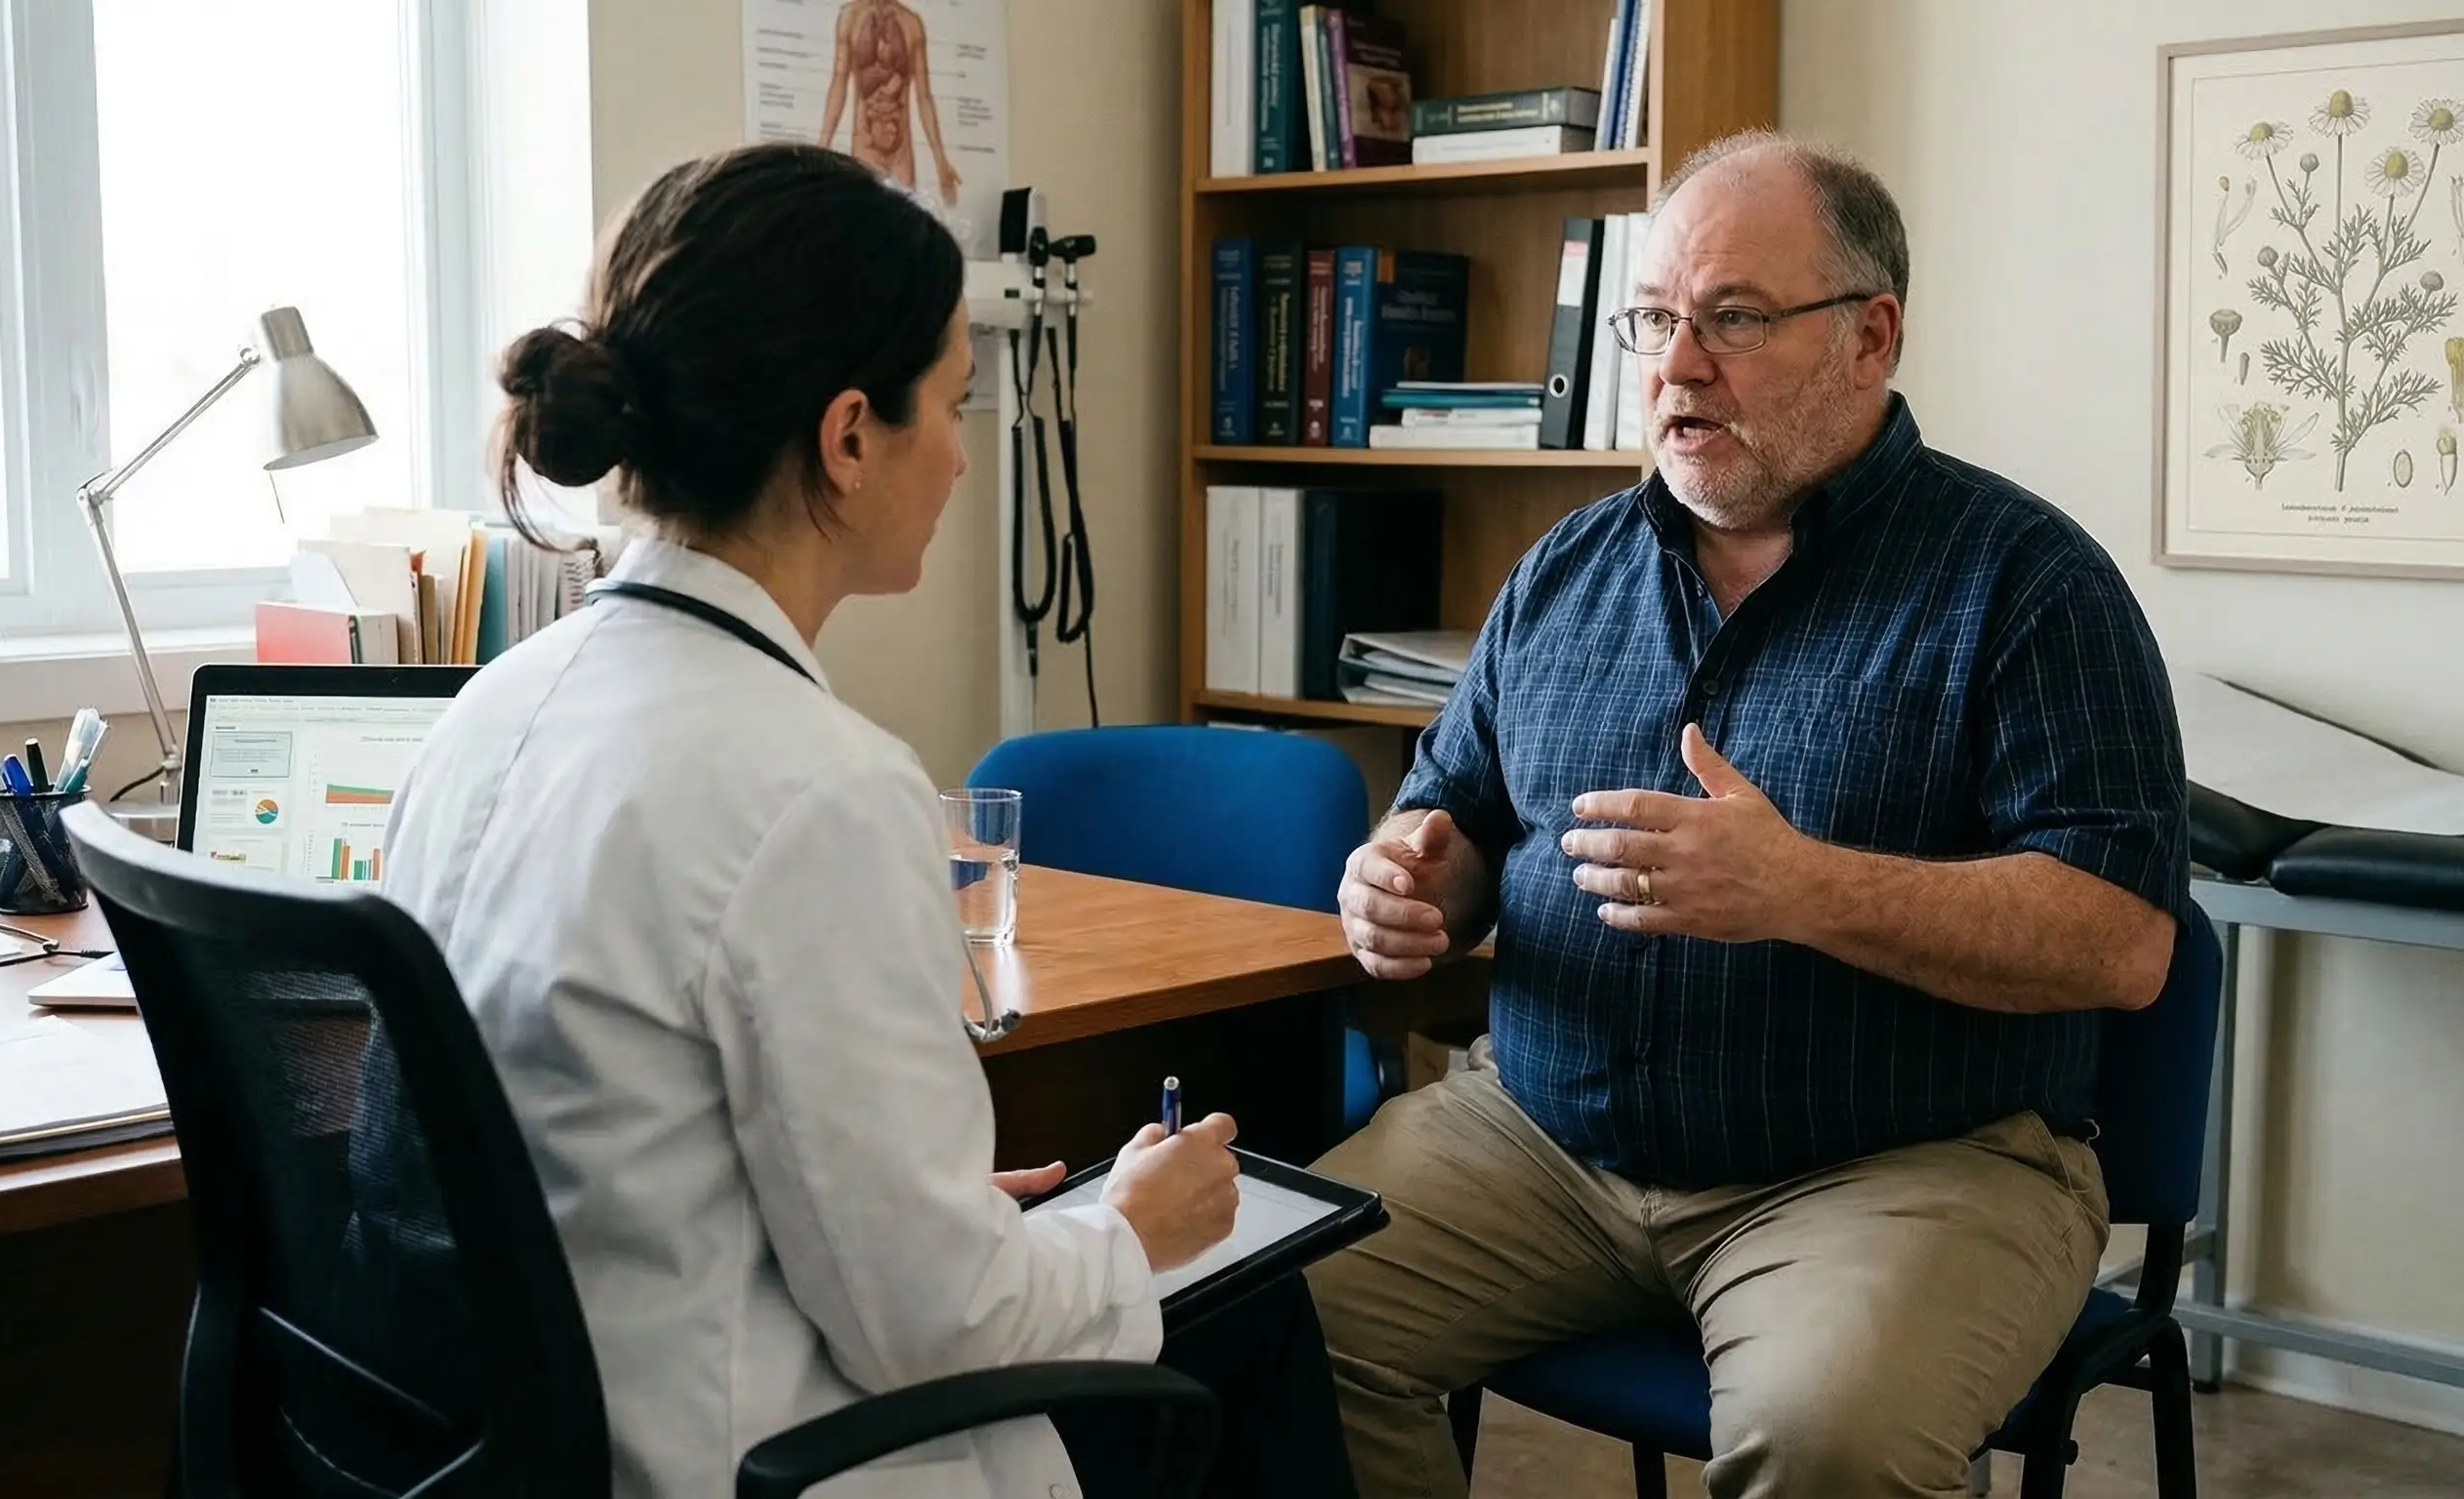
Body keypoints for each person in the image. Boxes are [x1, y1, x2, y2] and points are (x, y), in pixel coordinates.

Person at [380, 143, 1354, 1498]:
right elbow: (943, 1329)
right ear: (848, 439)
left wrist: (945, 1219)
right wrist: (1127, 1227)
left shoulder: (486, 712)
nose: (962, 458)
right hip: (759, 1455)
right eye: (953, 404)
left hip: (537, 1433)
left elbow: (630, 1138)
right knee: (1247, 1306)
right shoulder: (819, 789)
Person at [1306, 131, 2190, 1499]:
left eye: (1731, 319)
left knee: (1828, 1441)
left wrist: (1801, 891)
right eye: (1653, 320)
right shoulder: (1565, 570)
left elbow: (2120, 942)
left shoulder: (2027, 587)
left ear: (1868, 336)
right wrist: (1408, 875)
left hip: (1901, 1167)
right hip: (1539, 1139)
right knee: (1266, 1307)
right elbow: (1456, 811)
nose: (1673, 367)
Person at [818, 0, 962, 207]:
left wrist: (940, 160)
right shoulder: (850, 17)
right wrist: (822, 148)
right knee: (866, 218)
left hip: (900, 149)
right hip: (866, 142)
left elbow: (924, 97)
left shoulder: (911, 23)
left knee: (904, 223)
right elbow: (838, 84)